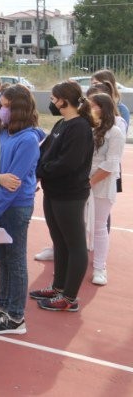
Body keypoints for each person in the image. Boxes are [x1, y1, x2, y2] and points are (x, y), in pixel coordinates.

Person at [31, 80, 94, 311]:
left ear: (64, 100)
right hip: (54, 191)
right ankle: (58, 287)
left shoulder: (80, 127)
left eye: (53, 99)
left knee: (75, 244)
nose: (51, 102)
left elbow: (69, 162)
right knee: (59, 241)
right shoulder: (61, 123)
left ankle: (69, 298)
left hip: (70, 194)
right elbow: (44, 151)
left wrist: (41, 171)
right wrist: (35, 166)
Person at [0, 85, 43, 335]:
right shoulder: (3, 133)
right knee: (2, 258)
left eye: (7, 106)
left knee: (16, 259)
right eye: (1, 105)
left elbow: (13, 183)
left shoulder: (28, 139)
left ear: (19, 108)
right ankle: (3, 306)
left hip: (15, 207)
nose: (2, 110)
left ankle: (15, 316)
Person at [87, 93, 124, 286]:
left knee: (99, 226)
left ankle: (100, 268)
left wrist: (90, 182)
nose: (90, 108)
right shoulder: (88, 127)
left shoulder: (115, 132)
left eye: (93, 105)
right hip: (82, 183)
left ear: (104, 108)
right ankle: (75, 265)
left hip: (101, 185)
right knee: (79, 225)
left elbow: (111, 164)